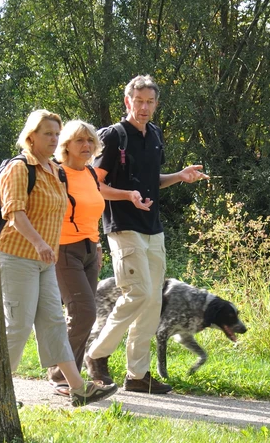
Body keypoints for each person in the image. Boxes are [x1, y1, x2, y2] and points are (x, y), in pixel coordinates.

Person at [84, 75, 209, 394]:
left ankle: (137, 375)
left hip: (154, 229)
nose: (144, 107)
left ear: (155, 104)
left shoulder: (154, 134)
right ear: (127, 102)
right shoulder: (113, 136)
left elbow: (152, 180)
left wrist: (179, 177)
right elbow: (95, 185)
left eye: (149, 102)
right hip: (123, 227)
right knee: (137, 294)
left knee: (152, 302)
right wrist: (128, 196)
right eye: (138, 101)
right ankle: (96, 355)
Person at [0, 109, 115, 405]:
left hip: (45, 260)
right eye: (47, 133)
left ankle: (78, 388)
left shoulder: (53, 169)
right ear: (31, 137)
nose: (53, 138)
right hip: (17, 256)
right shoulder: (20, 168)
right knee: (18, 326)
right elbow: (13, 211)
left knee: (54, 323)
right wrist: (39, 243)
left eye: (55, 133)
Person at [47, 119, 152, 393]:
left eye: (90, 141)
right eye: (79, 140)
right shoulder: (56, 173)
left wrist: (128, 196)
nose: (86, 145)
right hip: (63, 249)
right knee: (83, 312)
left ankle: (72, 375)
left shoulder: (91, 174)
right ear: (65, 145)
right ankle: (62, 376)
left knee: (84, 315)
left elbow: (96, 201)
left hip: (89, 249)